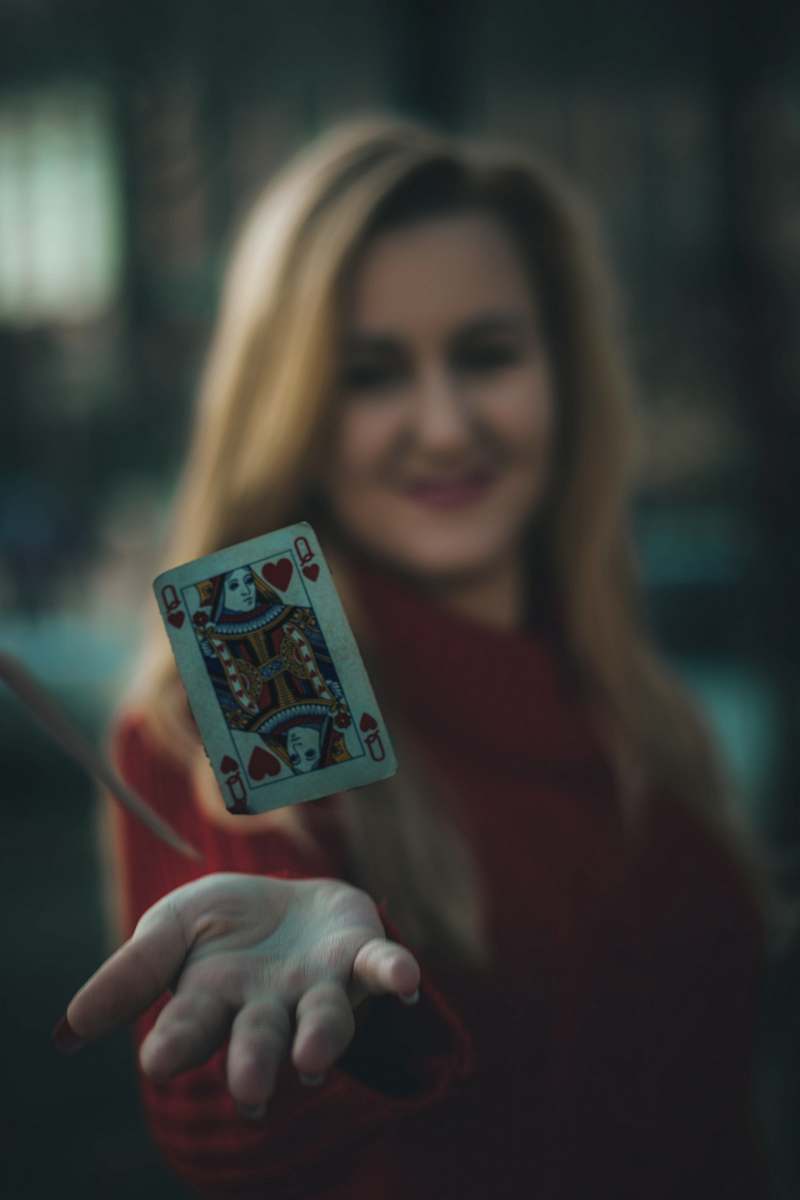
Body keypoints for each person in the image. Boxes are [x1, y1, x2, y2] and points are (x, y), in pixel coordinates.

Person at [55, 115, 768, 1199]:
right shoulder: (260, 649)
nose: (441, 426)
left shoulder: (621, 686)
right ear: (288, 406)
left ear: (563, 375)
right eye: (370, 373)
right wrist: (317, 1002)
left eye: (484, 354)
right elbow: (224, 1101)